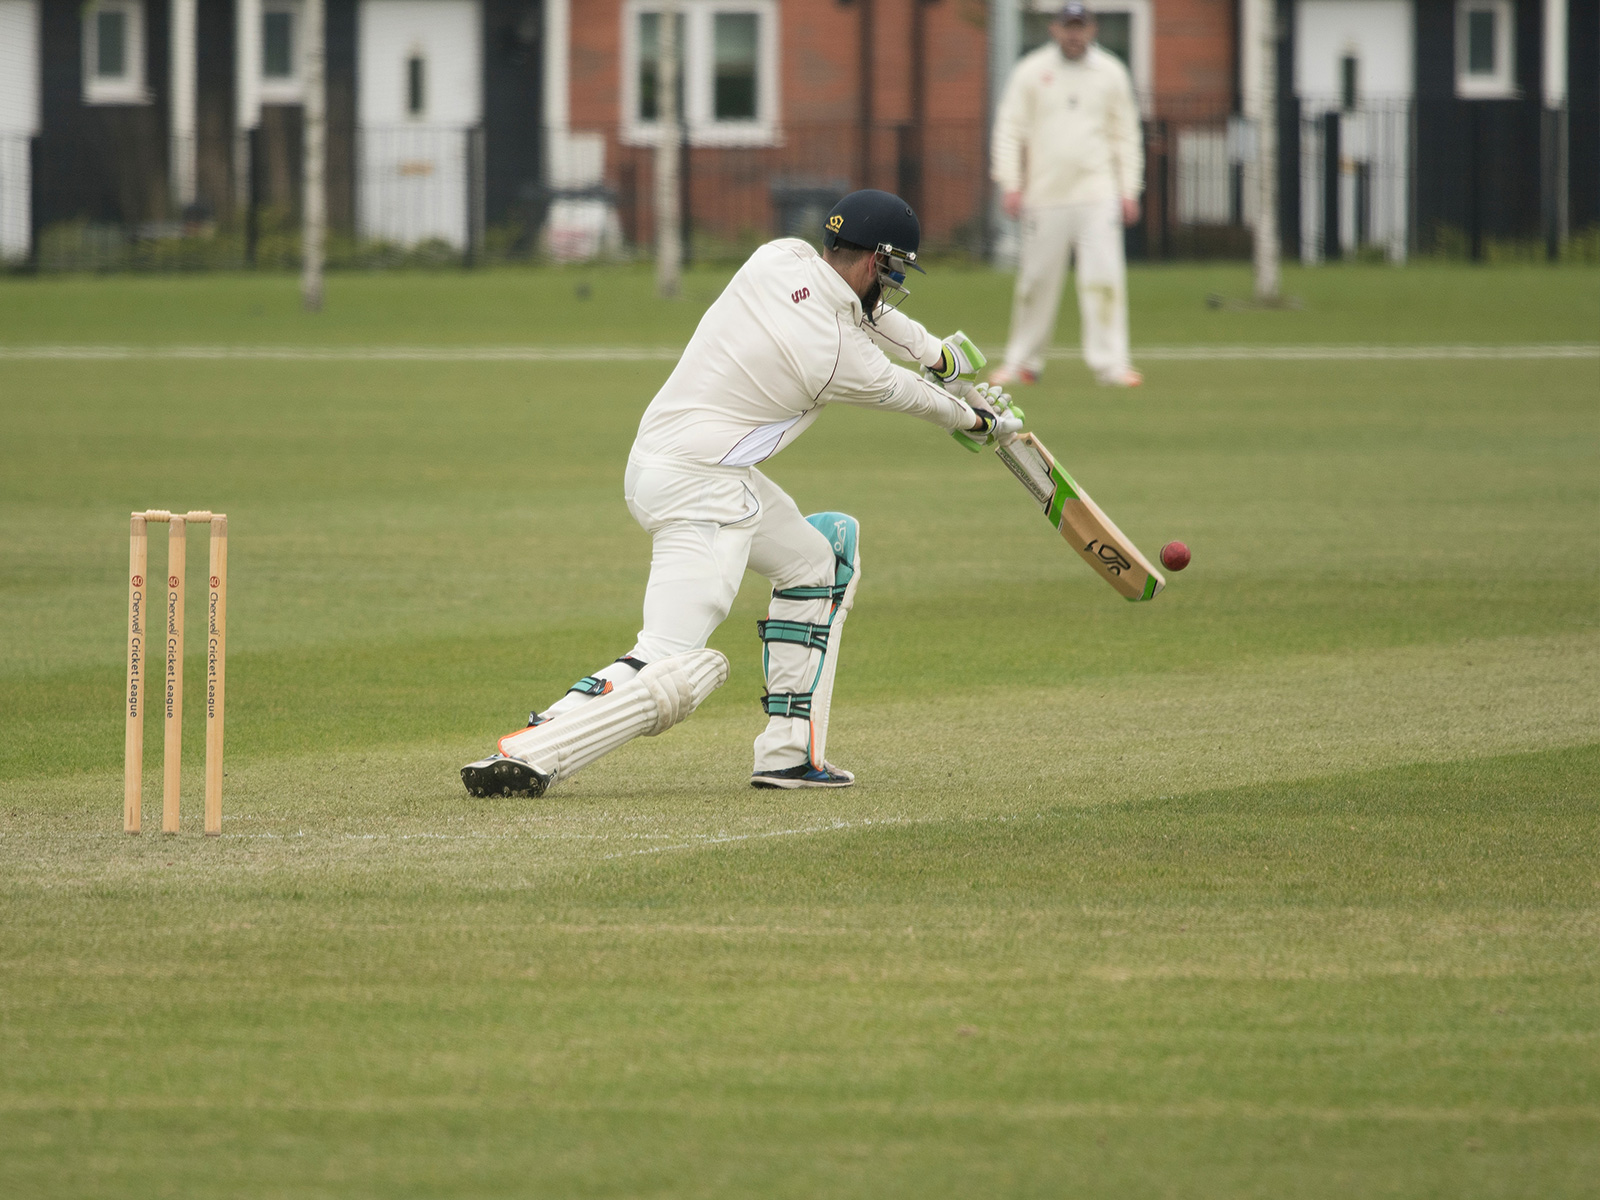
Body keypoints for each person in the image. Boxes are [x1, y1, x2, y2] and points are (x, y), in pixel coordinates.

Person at [460, 189, 1020, 798]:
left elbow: (873, 317)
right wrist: (979, 422)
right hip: (704, 485)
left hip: (663, 462)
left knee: (818, 561)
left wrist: (942, 357)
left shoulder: (777, 258)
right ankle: (535, 748)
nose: (890, 283)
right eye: (891, 270)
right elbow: (904, 392)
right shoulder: (836, 356)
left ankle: (787, 755)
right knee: (674, 661)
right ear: (872, 262)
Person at [990, 1, 1144, 388]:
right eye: (1067, 26)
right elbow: (1010, 129)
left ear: (1092, 29)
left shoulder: (1110, 72)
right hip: (1044, 194)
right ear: (1055, 29)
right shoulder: (1031, 71)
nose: (1074, 34)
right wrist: (1011, 183)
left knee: (1104, 280)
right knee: (1035, 282)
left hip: (1097, 192)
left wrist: (1129, 189)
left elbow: (1125, 134)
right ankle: (1023, 363)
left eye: (1081, 26)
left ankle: (1111, 366)